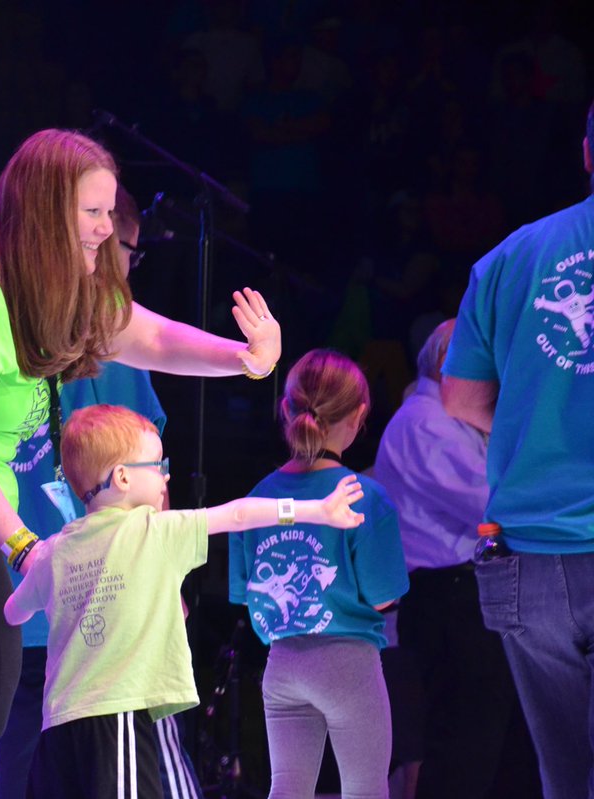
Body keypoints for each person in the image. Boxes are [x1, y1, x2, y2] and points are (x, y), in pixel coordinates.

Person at [0, 128, 281, 799]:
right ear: (44, 212)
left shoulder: (49, 276)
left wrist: (243, 357)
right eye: (93, 213)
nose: (107, 229)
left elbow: (143, 333)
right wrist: (21, 543)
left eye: (107, 212)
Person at [5, 404, 365, 799]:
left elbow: (12, 611)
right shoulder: (155, 531)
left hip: (56, 729)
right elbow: (238, 515)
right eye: (157, 464)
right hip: (117, 717)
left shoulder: (55, 551)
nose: (166, 474)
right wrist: (316, 510)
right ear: (123, 477)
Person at [0, 186, 202, 799]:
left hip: (23, 590)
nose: (129, 267)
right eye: (128, 251)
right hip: (106, 613)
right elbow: (148, 480)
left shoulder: (7, 323)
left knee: (26, 768)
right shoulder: (117, 342)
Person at [441, 99, 594, 799]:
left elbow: (462, 398)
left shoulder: (510, 257)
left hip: (530, 557)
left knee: (566, 775)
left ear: (588, 154)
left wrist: (541, 420)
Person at [229, 349, 408, 799]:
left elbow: (243, 590)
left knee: (286, 788)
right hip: (349, 666)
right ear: (359, 416)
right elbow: (384, 597)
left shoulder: (256, 500)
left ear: (286, 409)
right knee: (365, 790)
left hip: (283, 664)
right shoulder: (364, 496)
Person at [372, 319, 538, 798]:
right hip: (451, 598)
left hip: (468, 595)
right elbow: (490, 503)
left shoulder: (447, 420)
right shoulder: (424, 423)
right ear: (451, 362)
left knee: (492, 744)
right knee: (465, 747)